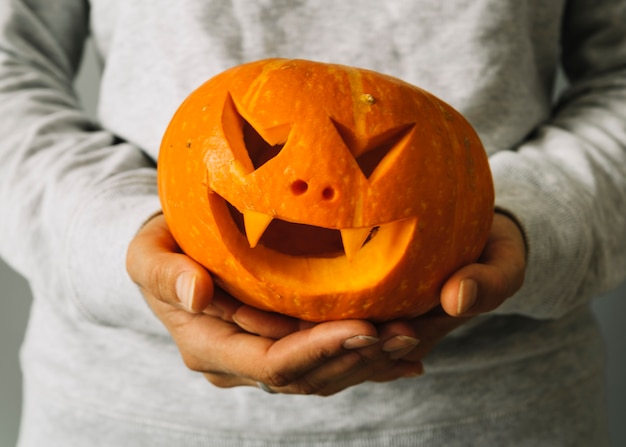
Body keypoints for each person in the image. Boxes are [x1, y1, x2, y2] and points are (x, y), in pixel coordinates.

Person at [0, 1, 624, 445]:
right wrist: (113, 236)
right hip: (120, 412)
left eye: (373, 161)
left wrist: (533, 216)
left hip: (508, 411)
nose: (313, 186)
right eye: (258, 147)